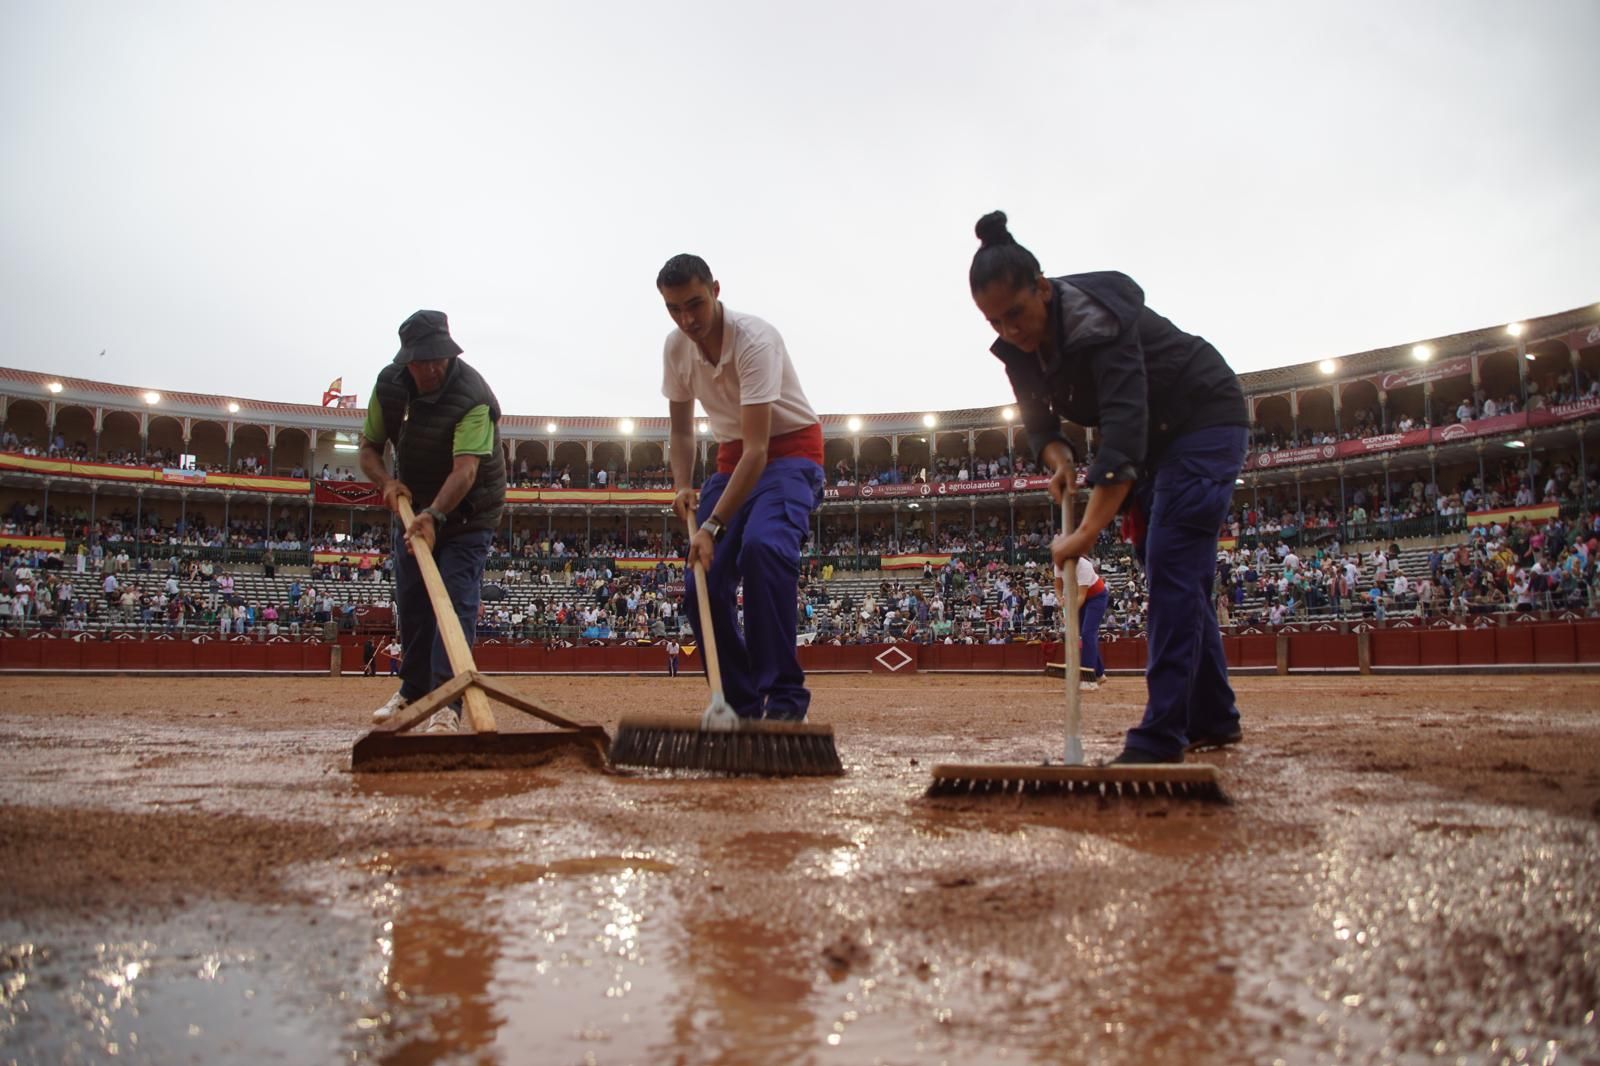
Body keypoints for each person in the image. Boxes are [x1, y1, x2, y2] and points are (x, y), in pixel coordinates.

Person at [969, 211, 1249, 763]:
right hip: (1157, 443)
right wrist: (1059, 459)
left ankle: (1162, 735)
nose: (1009, 330)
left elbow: (1123, 431)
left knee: (1171, 560)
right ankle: (1213, 716)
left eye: (1016, 313)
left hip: (1203, 418)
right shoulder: (1017, 350)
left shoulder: (1097, 321)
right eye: (994, 321)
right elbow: (1041, 425)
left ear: (1042, 288)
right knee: (1169, 566)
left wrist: (1086, 532)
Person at [658, 253, 825, 722]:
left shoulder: (755, 339)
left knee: (763, 547)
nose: (686, 320)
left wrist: (711, 526)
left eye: (695, 304)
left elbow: (758, 451)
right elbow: (682, 431)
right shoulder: (676, 348)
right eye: (674, 309)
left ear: (715, 290)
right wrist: (682, 484)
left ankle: (785, 702)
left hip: (789, 454)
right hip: (731, 460)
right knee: (700, 580)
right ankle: (738, 705)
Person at [360, 309, 507, 731]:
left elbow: (466, 471)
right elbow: (368, 448)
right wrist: (387, 482)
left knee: (455, 601)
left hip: (468, 512)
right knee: (413, 601)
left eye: (439, 358)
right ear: (407, 361)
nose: (432, 368)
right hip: (415, 507)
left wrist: (434, 515)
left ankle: (448, 702)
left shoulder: (473, 396)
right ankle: (412, 690)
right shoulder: (388, 387)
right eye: (422, 360)